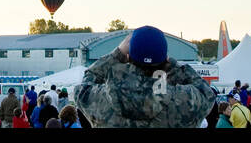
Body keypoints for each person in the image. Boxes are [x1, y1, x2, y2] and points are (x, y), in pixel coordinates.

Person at [76, 26, 216, 129]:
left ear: (128, 57)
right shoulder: (184, 101)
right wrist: (172, 64)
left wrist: (117, 54)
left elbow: (86, 83)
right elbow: (206, 91)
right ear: (164, 60)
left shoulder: (102, 100)